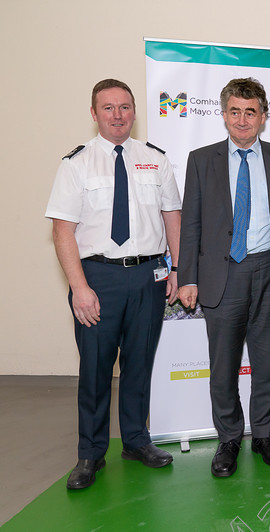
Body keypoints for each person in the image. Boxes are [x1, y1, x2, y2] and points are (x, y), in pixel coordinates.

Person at [46, 79, 181, 489]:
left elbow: (171, 216)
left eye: (125, 107)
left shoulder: (155, 159)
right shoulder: (76, 164)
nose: (118, 115)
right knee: (96, 368)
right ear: (94, 114)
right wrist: (80, 287)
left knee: (139, 363)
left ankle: (137, 441)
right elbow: (63, 231)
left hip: (148, 274)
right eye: (108, 108)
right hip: (98, 277)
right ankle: (90, 453)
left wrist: (178, 270)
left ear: (134, 112)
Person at [178, 78, 270, 478]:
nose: (242, 119)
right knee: (224, 367)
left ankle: (265, 436)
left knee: (267, 363)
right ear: (223, 115)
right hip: (222, 275)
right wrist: (187, 277)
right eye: (234, 111)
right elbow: (192, 224)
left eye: (250, 112)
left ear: (263, 117)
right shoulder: (201, 160)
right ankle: (229, 438)